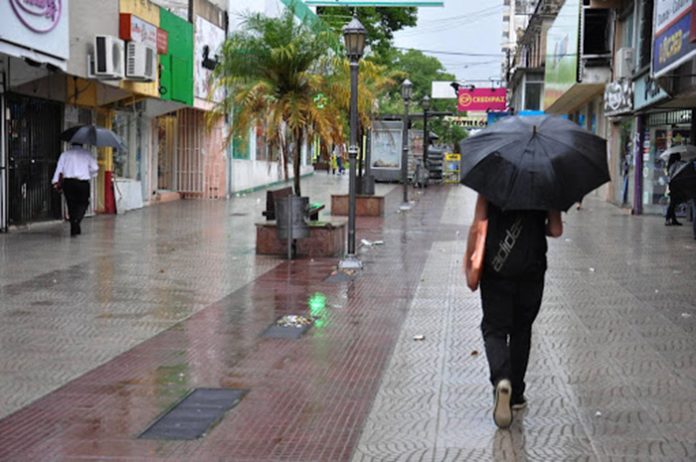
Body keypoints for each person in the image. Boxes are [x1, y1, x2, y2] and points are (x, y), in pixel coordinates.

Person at [468, 194, 563, 429]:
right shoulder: (546, 182)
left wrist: (470, 263)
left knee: (494, 328)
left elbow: (479, 225)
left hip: (497, 265)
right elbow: (556, 229)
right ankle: (516, 394)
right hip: (532, 266)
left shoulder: (491, 183)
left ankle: (501, 379)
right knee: (522, 329)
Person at [52, 143, 99, 236]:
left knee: (71, 204)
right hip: (83, 183)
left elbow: (59, 169)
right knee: (84, 203)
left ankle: (74, 224)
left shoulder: (65, 154)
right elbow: (95, 168)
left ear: (71, 144)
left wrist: (55, 181)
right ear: (82, 144)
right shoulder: (87, 154)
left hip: (69, 183)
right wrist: (90, 174)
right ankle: (77, 220)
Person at [665, 153, 684, 226]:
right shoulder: (676, 165)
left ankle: (673, 219)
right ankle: (668, 219)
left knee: (673, 203)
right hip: (675, 186)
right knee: (672, 204)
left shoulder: (671, 165)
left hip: (672, 185)